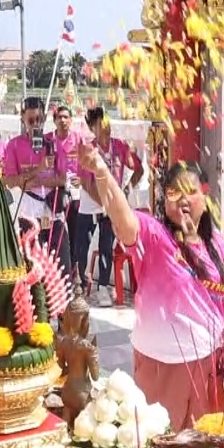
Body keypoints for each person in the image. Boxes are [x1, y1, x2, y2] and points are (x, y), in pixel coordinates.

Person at [78, 141, 224, 429]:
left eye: (190, 191)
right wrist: (102, 171)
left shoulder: (218, 245)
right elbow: (122, 219)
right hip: (162, 365)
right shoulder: (154, 235)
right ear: (164, 200)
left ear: (205, 196)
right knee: (161, 447)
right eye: (173, 192)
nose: (182, 200)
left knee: (204, 446)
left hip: (209, 365)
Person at [74, 107, 144, 306]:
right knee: (82, 248)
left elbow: (139, 168)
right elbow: (87, 184)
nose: (106, 129)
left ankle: (103, 287)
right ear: (91, 128)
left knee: (106, 247)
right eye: (100, 125)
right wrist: (105, 202)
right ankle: (79, 284)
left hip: (110, 208)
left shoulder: (120, 147)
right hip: (90, 207)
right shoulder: (88, 150)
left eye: (107, 124)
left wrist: (126, 190)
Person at [4, 97, 72, 276]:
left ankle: (64, 298)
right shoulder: (14, 145)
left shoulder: (54, 145)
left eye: (39, 120)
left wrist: (35, 181)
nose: (35, 124)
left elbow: (62, 179)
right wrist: (39, 169)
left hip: (52, 208)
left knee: (59, 260)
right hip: (28, 210)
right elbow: (10, 181)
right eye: (31, 120)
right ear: (23, 120)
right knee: (30, 260)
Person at [46, 105, 83, 269]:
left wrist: (82, 179)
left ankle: (73, 270)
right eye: (59, 117)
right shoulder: (47, 140)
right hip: (52, 191)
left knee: (74, 232)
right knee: (53, 232)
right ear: (54, 121)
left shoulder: (78, 139)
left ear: (71, 120)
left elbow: (88, 163)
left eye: (66, 117)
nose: (62, 120)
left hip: (74, 191)